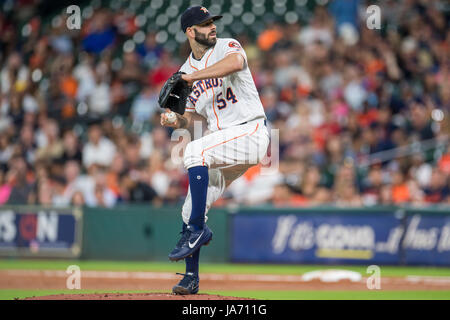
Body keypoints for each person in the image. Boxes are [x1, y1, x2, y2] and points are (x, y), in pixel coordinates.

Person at [160, 6, 269, 295]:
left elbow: (235, 63)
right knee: (189, 210)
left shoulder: (226, 47)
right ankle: (191, 278)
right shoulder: (185, 72)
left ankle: (197, 233)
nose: (212, 27)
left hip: (251, 131)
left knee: (194, 152)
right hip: (226, 145)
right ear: (189, 32)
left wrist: (190, 79)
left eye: (212, 22)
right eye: (204, 24)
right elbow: (195, 120)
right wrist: (177, 120)